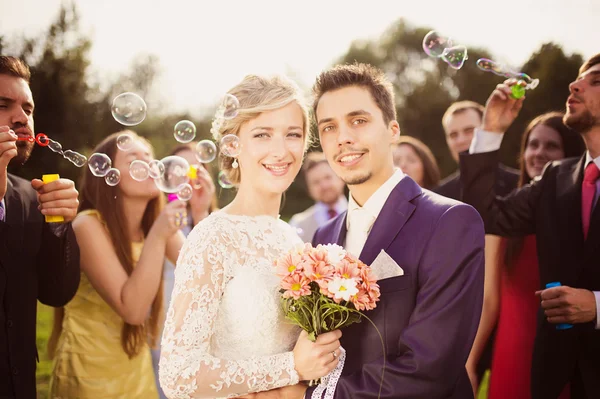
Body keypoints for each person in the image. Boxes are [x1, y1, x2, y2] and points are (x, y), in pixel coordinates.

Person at [293, 62, 483, 398]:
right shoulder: (323, 239)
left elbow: (429, 366)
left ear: (393, 129)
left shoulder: (451, 222)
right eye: (329, 128)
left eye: (359, 121)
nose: (344, 138)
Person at [159, 74, 342, 398]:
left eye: (293, 134)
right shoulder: (212, 238)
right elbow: (178, 375)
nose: (281, 150)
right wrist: (292, 367)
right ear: (233, 146)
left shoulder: (293, 240)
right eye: (262, 134)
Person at [459, 53, 600, 398]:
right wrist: (491, 130)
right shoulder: (556, 177)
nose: (574, 84)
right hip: (555, 378)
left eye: (595, 81)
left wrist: (597, 305)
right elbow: (485, 216)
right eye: (579, 78)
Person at [47, 131, 186, 398]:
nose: (149, 164)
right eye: (134, 158)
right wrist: (159, 234)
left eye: (150, 157)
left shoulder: (153, 224)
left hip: (136, 368)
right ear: (108, 175)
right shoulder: (87, 225)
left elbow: (203, 269)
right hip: (90, 374)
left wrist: (197, 207)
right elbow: (133, 310)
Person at [473, 112, 585, 399]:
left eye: (551, 146)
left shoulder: (581, 211)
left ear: (570, 153)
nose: (539, 153)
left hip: (564, 347)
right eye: (532, 145)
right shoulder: (510, 214)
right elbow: (489, 299)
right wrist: (470, 359)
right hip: (512, 347)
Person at [0, 55, 80, 399]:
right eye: (3, 105)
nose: (21, 117)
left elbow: (56, 293)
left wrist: (59, 227)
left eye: (28, 109)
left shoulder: (30, 195)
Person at [150, 142, 217, 399]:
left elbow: (210, 270)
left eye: (195, 167)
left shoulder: (219, 219)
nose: (188, 173)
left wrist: (201, 212)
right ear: (166, 176)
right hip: (166, 312)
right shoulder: (157, 217)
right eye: (179, 167)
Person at [435, 100, 519, 199]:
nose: (461, 140)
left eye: (469, 131)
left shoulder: (520, 183)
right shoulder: (439, 196)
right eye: (453, 135)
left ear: (487, 129)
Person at [289, 151, 347, 242]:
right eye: (316, 182)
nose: (324, 186)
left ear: (341, 178)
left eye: (328, 177)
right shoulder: (298, 224)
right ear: (309, 190)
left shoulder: (362, 215)